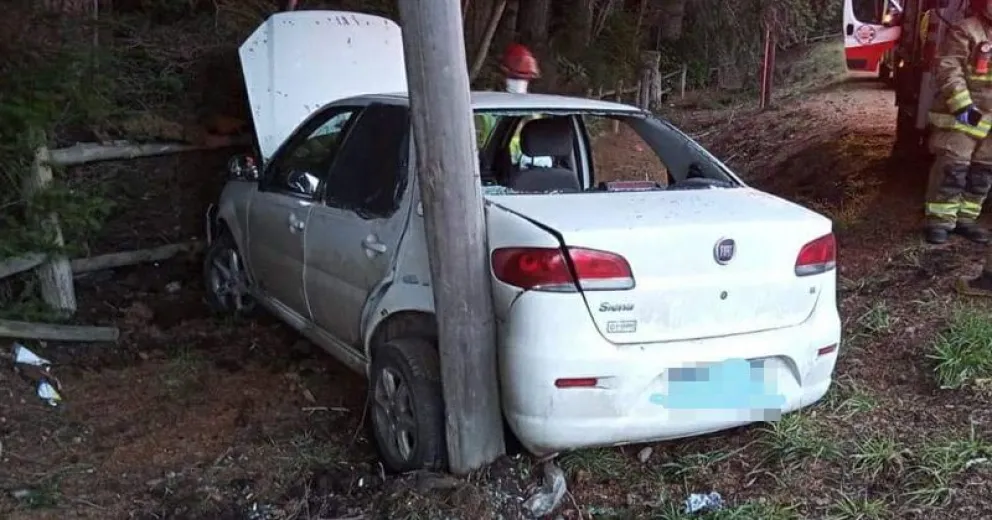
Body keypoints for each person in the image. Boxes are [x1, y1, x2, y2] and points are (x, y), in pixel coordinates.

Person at [922, 0, 992, 245]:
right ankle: (940, 222)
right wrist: (962, 105)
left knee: (982, 173)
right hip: (966, 115)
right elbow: (949, 68)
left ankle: (966, 219)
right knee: (953, 168)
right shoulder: (966, 30)